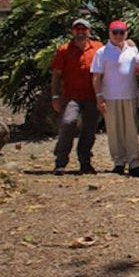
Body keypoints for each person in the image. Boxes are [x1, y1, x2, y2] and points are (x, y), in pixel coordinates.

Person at [51, 19, 103, 175]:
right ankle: (60, 161)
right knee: (68, 122)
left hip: (92, 96)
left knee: (89, 129)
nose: (80, 32)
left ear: (89, 31)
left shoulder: (98, 48)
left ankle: (85, 162)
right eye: (77, 29)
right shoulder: (64, 50)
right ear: (72, 31)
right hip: (71, 96)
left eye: (83, 29)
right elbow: (56, 75)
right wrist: (55, 96)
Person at [91, 20, 139, 177]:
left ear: (126, 33)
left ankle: (134, 163)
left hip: (130, 95)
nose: (118, 35)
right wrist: (99, 97)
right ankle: (118, 162)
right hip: (110, 97)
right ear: (109, 33)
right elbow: (96, 77)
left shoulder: (133, 50)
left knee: (131, 130)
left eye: (121, 32)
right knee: (114, 131)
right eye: (115, 32)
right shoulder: (102, 52)